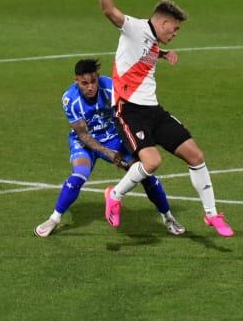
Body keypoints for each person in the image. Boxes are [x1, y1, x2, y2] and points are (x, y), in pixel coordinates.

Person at [86, 0, 234, 237]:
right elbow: (109, 11)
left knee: (196, 155)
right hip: (128, 111)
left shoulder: (153, 42)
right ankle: (114, 195)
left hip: (154, 111)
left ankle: (212, 215)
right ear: (163, 22)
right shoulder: (134, 28)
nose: (175, 34)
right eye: (174, 29)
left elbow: (146, 52)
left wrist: (165, 55)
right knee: (152, 162)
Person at [34, 58, 186, 238]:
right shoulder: (70, 100)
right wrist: (108, 153)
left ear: (98, 77)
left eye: (93, 81)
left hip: (114, 137)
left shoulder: (112, 88)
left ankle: (168, 218)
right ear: (76, 81)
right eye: (84, 83)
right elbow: (83, 135)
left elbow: (130, 114)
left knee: (145, 173)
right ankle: (54, 219)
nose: (90, 87)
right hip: (86, 142)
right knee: (79, 175)